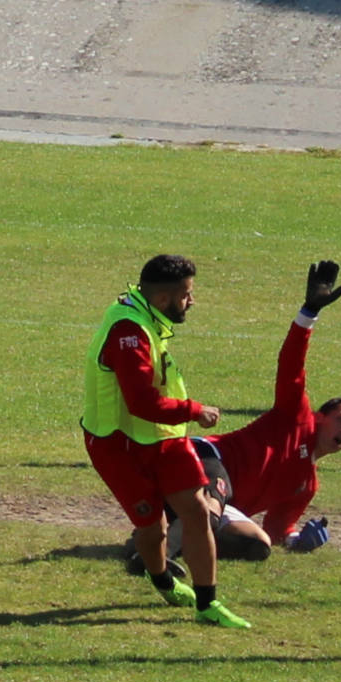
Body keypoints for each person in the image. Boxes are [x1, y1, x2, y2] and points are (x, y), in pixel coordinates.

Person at [129, 260, 341, 567]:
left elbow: (279, 531)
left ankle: (157, 538)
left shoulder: (307, 484)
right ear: (321, 417)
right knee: (212, 502)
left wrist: (300, 542)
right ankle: (155, 560)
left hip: (219, 502)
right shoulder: (296, 416)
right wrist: (309, 313)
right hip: (204, 459)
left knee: (257, 546)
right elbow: (291, 363)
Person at [84, 254, 249, 628]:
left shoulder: (144, 313)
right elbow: (141, 403)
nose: (192, 301)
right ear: (162, 300)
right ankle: (161, 578)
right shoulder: (128, 334)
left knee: (196, 510)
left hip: (163, 438)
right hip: (119, 446)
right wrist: (194, 410)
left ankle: (208, 603)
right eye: (186, 294)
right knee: (153, 528)